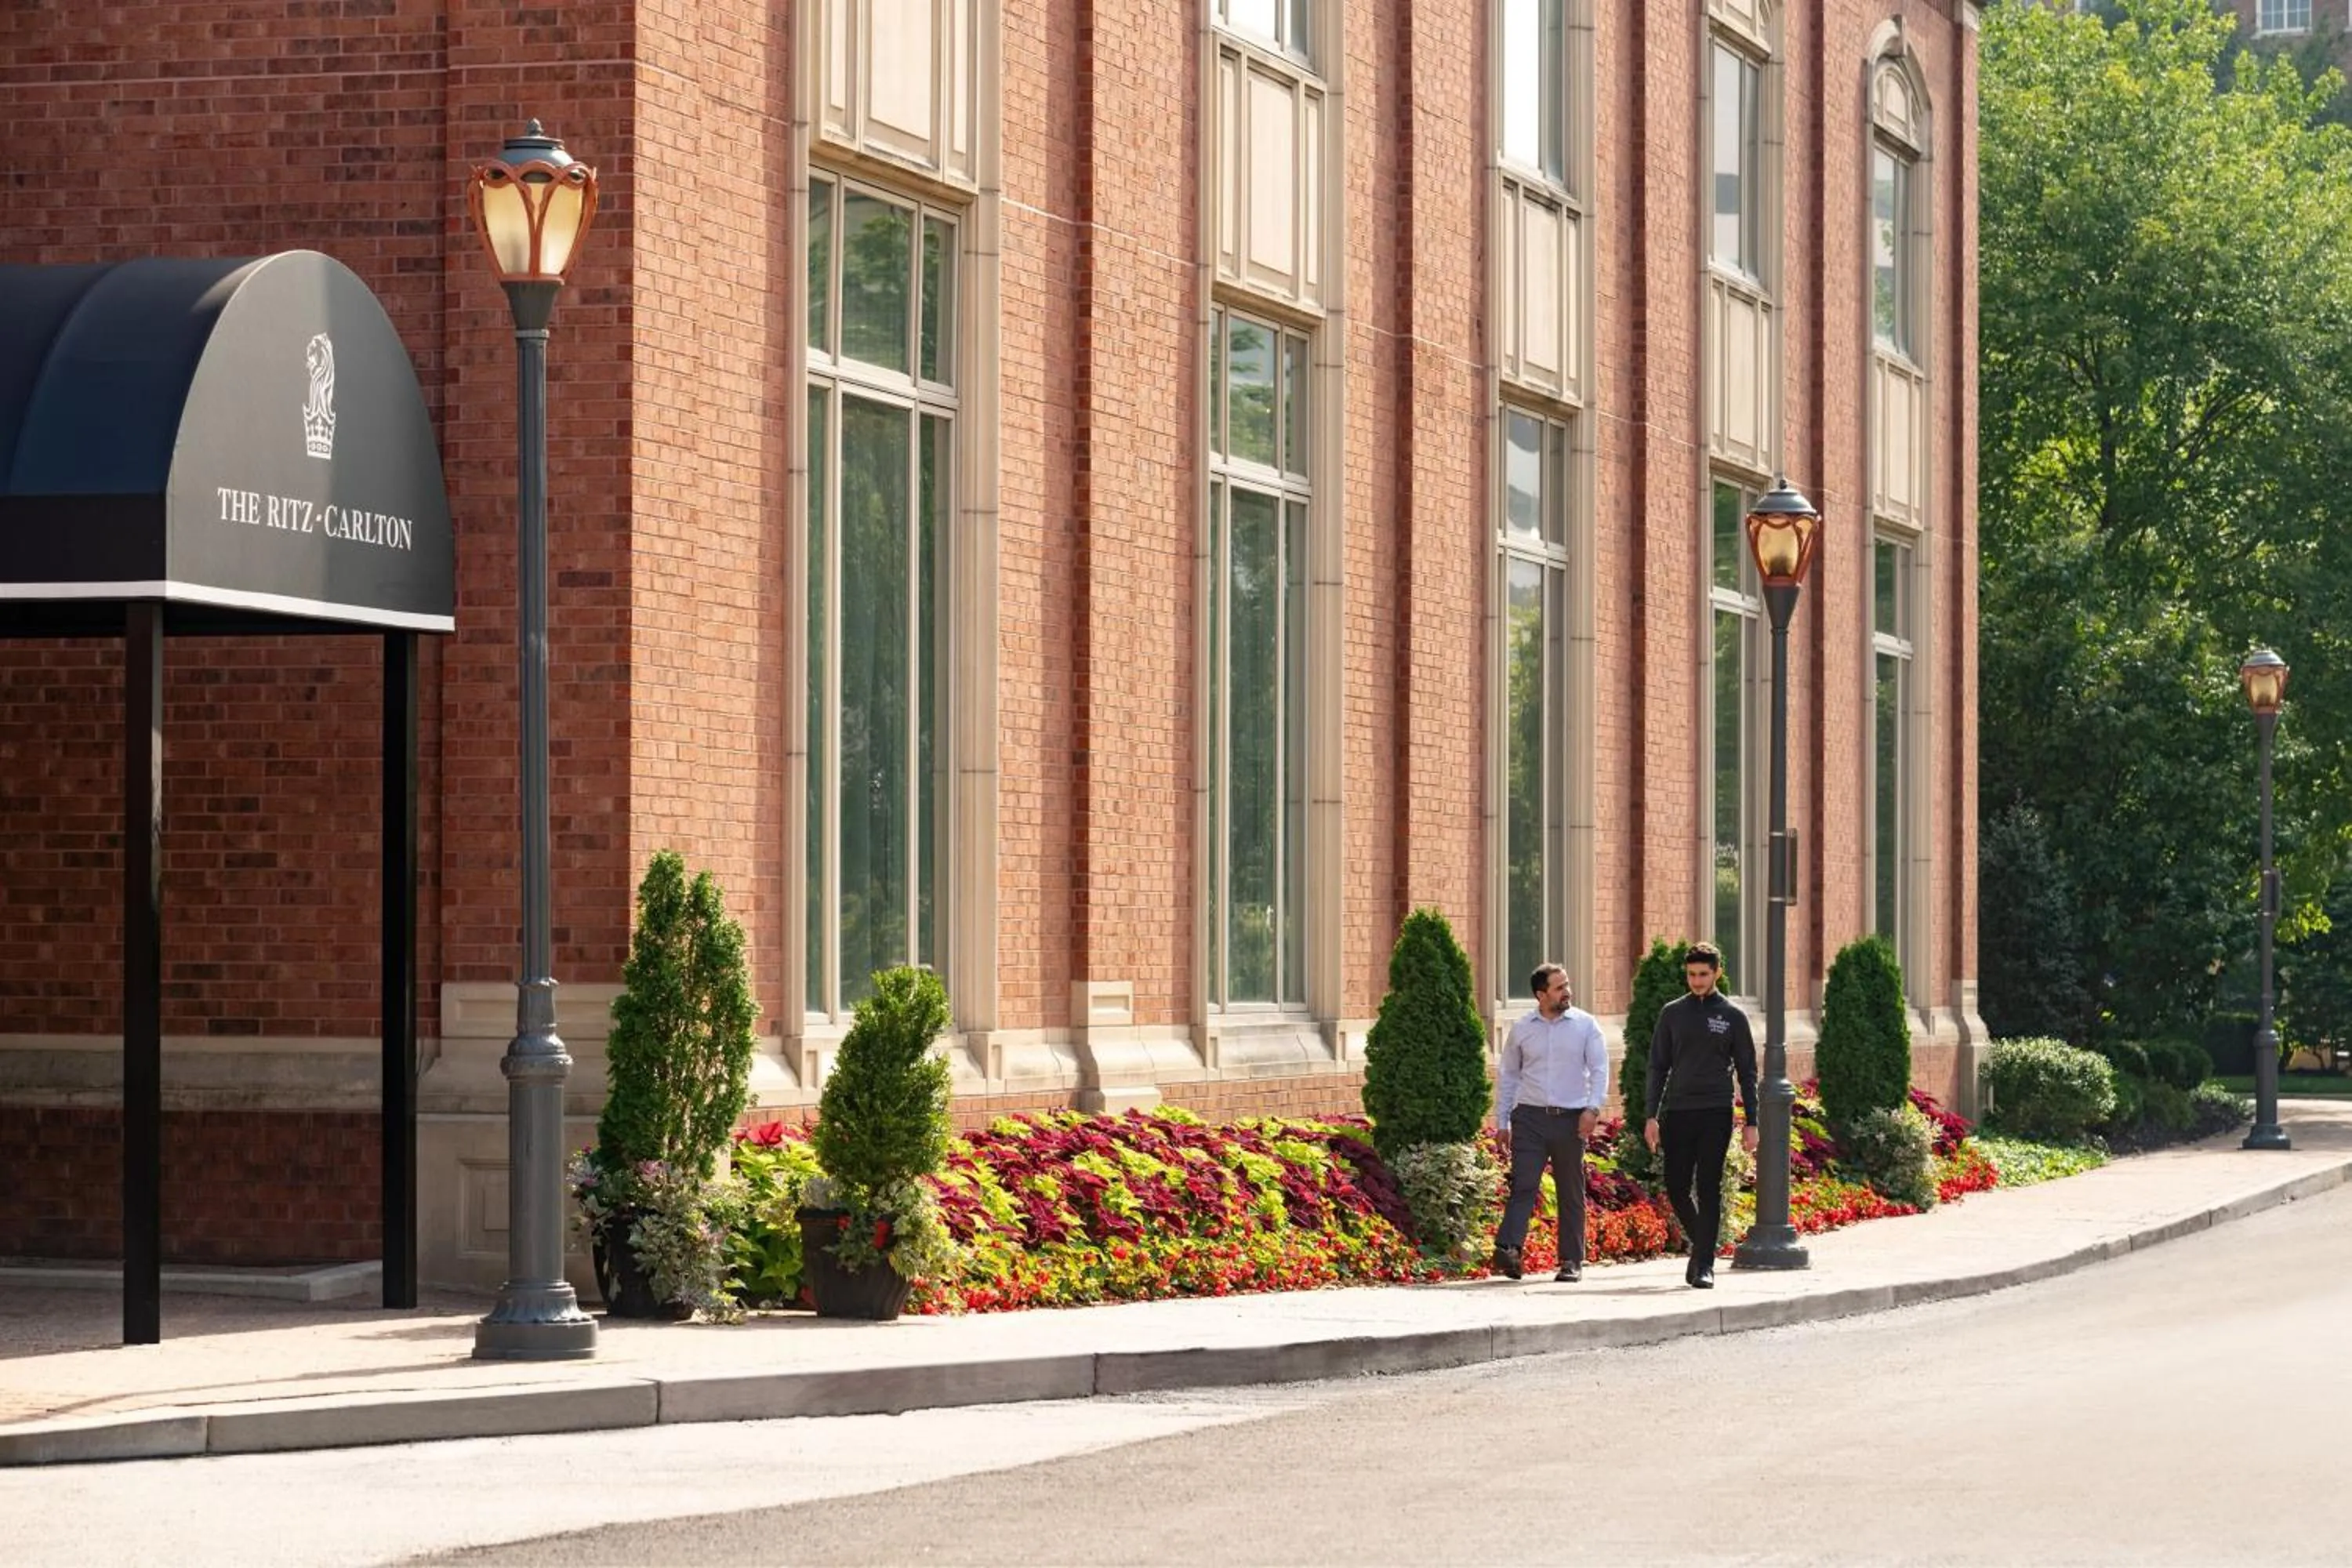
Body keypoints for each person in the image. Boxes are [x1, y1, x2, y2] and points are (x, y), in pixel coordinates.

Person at [1642, 942, 1759, 1289]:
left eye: (1703, 974)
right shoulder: (1672, 1013)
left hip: (1716, 1110)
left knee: (1709, 1185)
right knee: (1676, 1185)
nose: (1696, 981)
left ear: (1717, 973)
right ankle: (1703, 1246)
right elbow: (1657, 1066)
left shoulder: (1733, 1017)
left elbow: (1748, 1071)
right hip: (1678, 1110)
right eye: (1692, 974)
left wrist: (1752, 1122)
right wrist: (1651, 1115)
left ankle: (1704, 1264)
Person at [1492, 962, 1610, 1283]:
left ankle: (1571, 1261)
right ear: (1541, 995)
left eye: (1567, 985)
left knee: (1570, 1190)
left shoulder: (1586, 1026)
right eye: (1559, 988)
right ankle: (1509, 1250)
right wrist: (1502, 1121)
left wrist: (1593, 1109)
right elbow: (1509, 1076)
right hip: (1529, 1117)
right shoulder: (1522, 1029)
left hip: (1572, 1120)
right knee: (1524, 1185)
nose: (1567, 992)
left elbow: (1600, 1070)